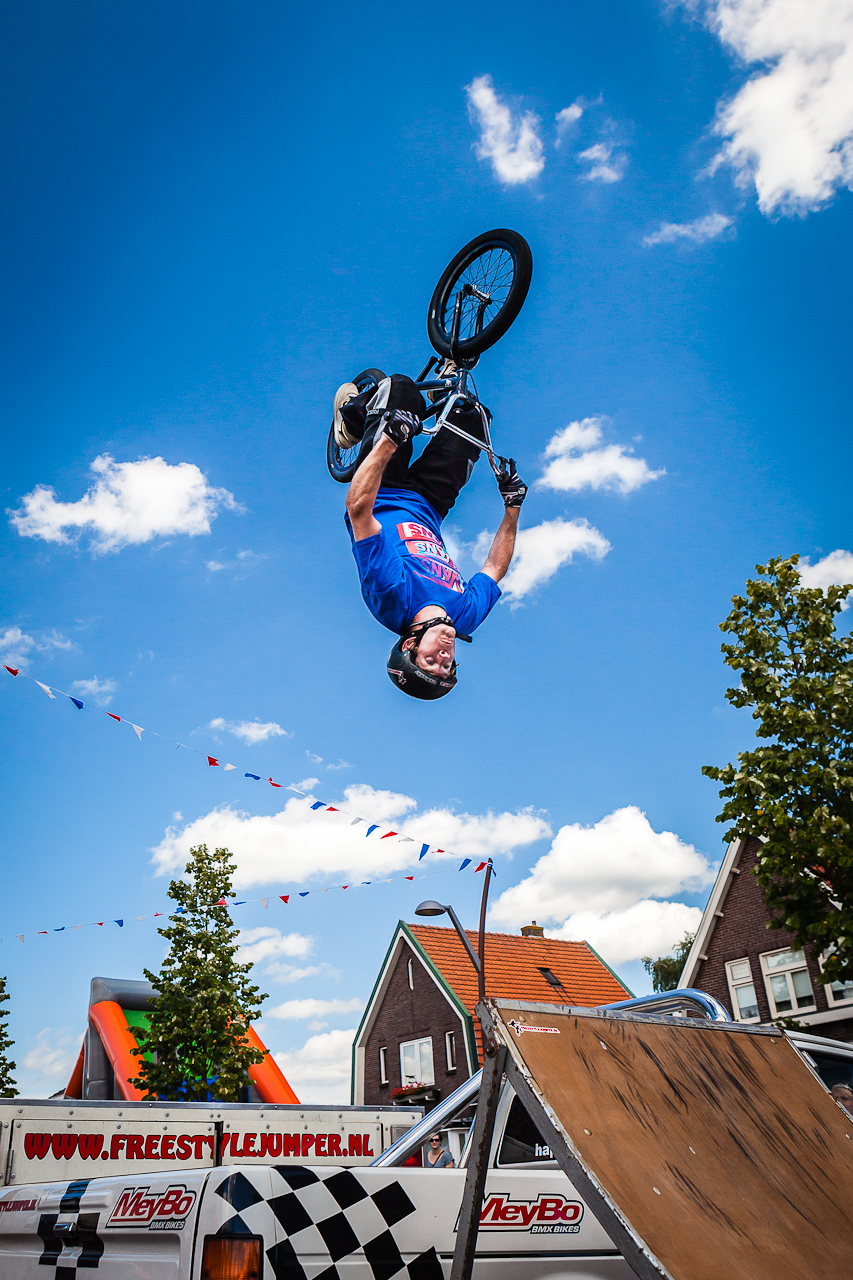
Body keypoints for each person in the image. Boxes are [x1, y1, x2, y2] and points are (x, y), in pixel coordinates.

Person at [336, 373, 527, 700]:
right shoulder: (465, 617)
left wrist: (390, 440)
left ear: (410, 644)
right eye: (448, 666)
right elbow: (495, 568)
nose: (444, 657)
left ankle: (352, 418)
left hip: (381, 490)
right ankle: (445, 386)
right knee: (474, 418)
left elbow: (358, 510)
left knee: (401, 391)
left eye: (430, 661)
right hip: (430, 504)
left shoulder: (392, 596)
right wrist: (513, 506)